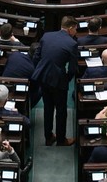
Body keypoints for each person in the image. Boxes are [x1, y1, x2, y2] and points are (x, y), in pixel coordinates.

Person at [31, 15, 78, 146]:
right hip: (59, 81)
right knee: (61, 111)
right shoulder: (72, 44)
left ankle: (48, 137)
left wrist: (38, 70)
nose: (76, 32)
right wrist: (66, 79)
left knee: (48, 107)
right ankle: (61, 140)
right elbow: (73, 69)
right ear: (70, 28)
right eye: (75, 29)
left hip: (43, 77)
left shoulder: (46, 36)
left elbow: (36, 56)